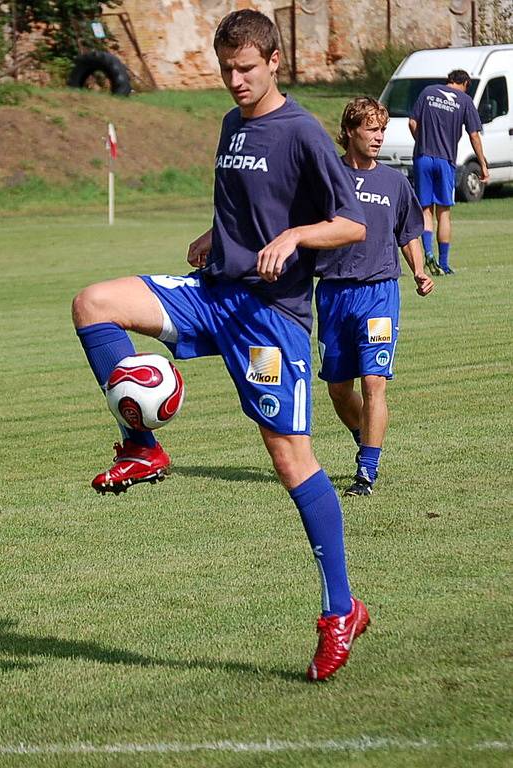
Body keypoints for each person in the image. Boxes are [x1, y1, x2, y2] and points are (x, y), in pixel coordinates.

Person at [72, 9, 369, 681]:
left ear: (270, 62)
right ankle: (143, 450)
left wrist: (293, 238)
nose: (234, 81)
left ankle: (339, 609)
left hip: (270, 315)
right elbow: (242, 201)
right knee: (93, 303)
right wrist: (216, 234)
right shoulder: (231, 124)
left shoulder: (300, 132)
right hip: (213, 289)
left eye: (245, 69)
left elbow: (348, 223)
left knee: (289, 458)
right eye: (226, 69)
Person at [315, 97, 434, 497]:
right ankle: (365, 435)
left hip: (380, 293)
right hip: (333, 293)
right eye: (370, 129)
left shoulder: (395, 182)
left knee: (374, 382)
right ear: (349, 131)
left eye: (382, 130)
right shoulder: (328, 178)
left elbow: (409, 232)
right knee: (337, 388)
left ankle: (367, 471)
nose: (378, 137)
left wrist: (418, 270)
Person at [409, 69, 489, 275]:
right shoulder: (464, 100)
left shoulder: (427, 92)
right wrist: (483, 165)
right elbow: (474, 135)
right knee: (443, 211)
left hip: (423, 157)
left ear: (448, 80)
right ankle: (444, 264)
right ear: (465, 84)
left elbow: (412, 122)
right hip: (446, 160)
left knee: (425, 209)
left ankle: (428, 254)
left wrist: (422, 142)